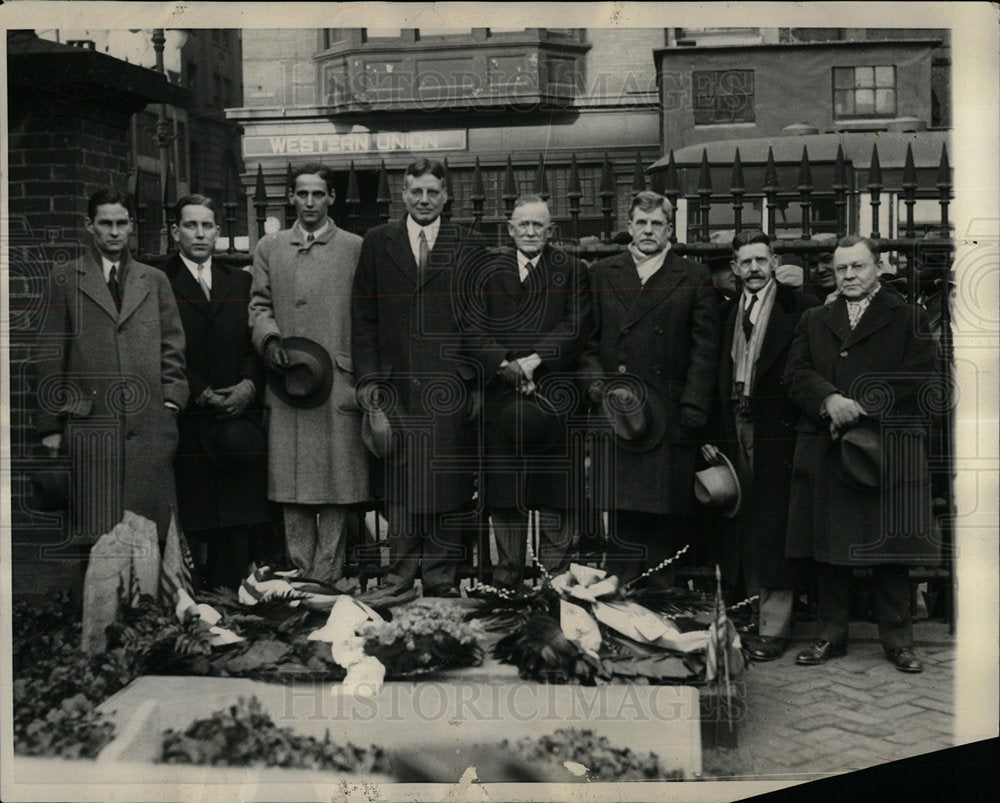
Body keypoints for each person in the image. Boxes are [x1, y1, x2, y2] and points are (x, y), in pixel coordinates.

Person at [784, 235, 941, 673]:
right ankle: (831, 635)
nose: (850, 275)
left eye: (858, 266)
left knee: (891, 546)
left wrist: (859, 405)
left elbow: (920, 375)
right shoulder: (815, 318)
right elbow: (795, 373)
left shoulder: (908, 316)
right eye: (841, 269)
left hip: (887, 444)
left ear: (877, 267)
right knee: (831, 545)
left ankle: (897, 639)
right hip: (829, 443)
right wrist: (829, 399)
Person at [352, 158, 486, 599]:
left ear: (447, 196)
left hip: (450, 384)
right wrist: (371, 382)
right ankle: (399, 577)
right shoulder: (378, 242)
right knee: (402, 483)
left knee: (448, 480)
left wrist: (473, 380)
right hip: (397, 384)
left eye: (433, 192)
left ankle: (441, 578)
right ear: (403, 195)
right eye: (416, 192)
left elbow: (482, 319)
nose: (424, 200)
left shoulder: (469, 243)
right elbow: (364, 317)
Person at [578, 191, 719, 584]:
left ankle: (662, 602)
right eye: (641, 222)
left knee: (665, 518)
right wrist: (597, 387)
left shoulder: (692, 276)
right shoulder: (604, 273)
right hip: (619, 412)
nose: (648, 230)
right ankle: (621, 605)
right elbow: (587, 343)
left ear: (669, 229)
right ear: (629, 227)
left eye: (656, 223)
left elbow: (705, 349)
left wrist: (694, 404)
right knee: (621, 516)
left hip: (668, 414)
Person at [35, 187, 188, 542]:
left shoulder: (154, 279)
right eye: (106, 223)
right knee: (98, 531)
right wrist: (51, 426)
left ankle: (148, 599)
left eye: (122, 223)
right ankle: (102, 598)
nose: (115, 231)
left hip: (149, 422)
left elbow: (173, 344)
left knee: (150, 532)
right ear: (90, 226)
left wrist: (171, 400)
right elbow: (50, 354)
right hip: (91, 422)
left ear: (132, 225)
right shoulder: (65, 278)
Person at [701, 230, 820, 661]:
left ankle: (775, 626)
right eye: (745, 262)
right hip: (735, 425)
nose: (753, 269)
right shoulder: (727, 312)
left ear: (773, 262)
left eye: (761, 260)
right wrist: (714, 436)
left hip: (779, 431)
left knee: (776, 521)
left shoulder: (800, 308)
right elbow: (715, 376)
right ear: (733, 268)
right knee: (743, 519)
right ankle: (752, 613)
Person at [249, 164, 368, 586]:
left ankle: (328, 577)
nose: (311, 203)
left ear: (332, 198)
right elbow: (259, 304)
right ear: (291, 198)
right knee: (292, 481)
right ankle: (300, 577)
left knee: (337, 483)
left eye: (319, 194)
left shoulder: (354, 247)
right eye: (302, 194)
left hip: (336, 379)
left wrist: (355, 373)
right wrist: (270, 339)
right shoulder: (271, 246)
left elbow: (366, 314)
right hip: (288, 382)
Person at [464, 194, 591, 588]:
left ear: (550, 230)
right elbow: (472, 327)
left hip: (554, 394)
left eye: (538, 225)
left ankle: (556, 581)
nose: (531, 231)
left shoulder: (571, 270)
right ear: (510, 229)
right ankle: (507, 579)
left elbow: (577, 325)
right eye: (523, 224)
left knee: (555, 492)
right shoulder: (486, 271)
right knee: (505, 494)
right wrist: (504, 365)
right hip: (502, 397)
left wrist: (534, 361)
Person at [162, 195, 274, 591]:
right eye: (191, 225)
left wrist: (248, 384)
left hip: (234, 425)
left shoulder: (239, 281)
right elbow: (161, 346)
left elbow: (255, 343)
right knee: (193, 522)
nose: (200, 233)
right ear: (175, 232)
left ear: (217, 232)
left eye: (207, 226)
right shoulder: (161, 281)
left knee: (233, 522)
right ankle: (195, 604)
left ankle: (235, 601)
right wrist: (199, 391)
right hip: (191, 422)